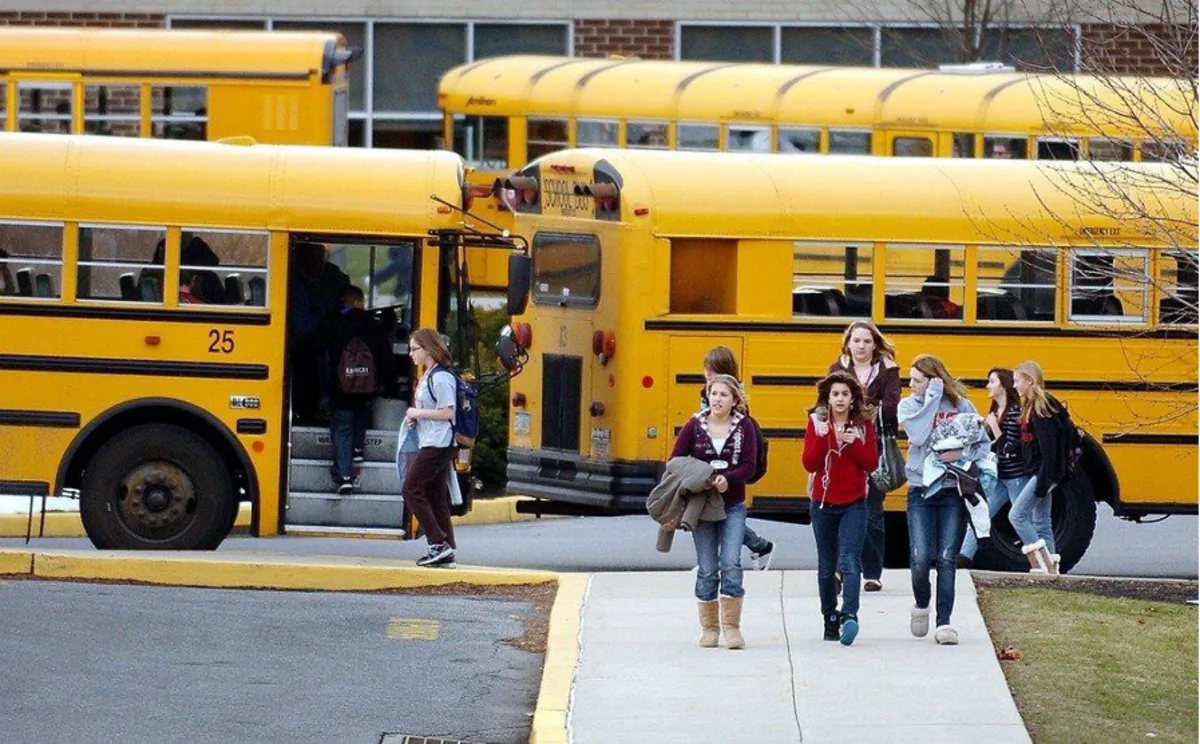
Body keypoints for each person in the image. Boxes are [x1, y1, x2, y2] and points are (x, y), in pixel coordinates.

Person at [670, 373, 758, 650]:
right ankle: (709, 628)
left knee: (731, 561)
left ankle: (732, 626)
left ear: (735, 400)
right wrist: (704, 476)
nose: (717, 399)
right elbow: (675, 461)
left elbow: (749, 465)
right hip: (702, 506)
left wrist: (728, 478)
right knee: (708, 567)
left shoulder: (745, 427)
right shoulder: (694, 426)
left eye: (723, 394)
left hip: (732, 504)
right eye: (714, 393)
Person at [898, 354, 981, 646]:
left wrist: (962, 455)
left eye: (916, 380)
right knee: (921, 557)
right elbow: (919, 437)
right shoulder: (908, 406)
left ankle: (944, 622)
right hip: (920, 490)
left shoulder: (961, 406)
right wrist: (931, 399)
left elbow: (980, 443)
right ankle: (922, 603)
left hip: (951, 489)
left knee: (946, 557)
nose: (910, 385)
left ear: (934, 379)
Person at [803, 371, 879, 646]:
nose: (840, 399)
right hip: (823, 503)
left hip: (854, 503)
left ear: (852, 398)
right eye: (835, 394)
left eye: (845, 394)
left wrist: (853, 443)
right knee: (826, 566)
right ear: (827, 396)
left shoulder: (863, 425)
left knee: (849, 561)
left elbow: (871, 462)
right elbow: (809, 464)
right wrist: (825, 439)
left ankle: (850, 615)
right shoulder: (817, 422)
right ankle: (829, 617)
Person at [827, 321, 901, 591]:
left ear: (875, 344)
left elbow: (892, 407)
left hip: (875, 444)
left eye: (866, 341)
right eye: (856, 341)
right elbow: (828, 400)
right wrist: (867, 407)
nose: (861, 346)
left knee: (871, 510)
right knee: (839, 506)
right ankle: (840, 570)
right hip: (841, 446)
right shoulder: (838, 369)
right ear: (847, 343)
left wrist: (855, 409)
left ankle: (871, 572)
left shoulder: (888, 371)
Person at [700, 346, 775, 570]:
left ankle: (754, 548)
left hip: (726, 463)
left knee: (720, 513)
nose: (705, 374)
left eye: (709, 369)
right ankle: (758, 547)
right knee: (718, 512)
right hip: (715, 460)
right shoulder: (711, 392)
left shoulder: (730, 396)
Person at [402, 328, 460, 568]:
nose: (411, 354)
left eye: (415, 349)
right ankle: (446, 549)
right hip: (431, 440)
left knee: (411, 489)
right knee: (435, 494)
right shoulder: (429, 375)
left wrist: (417, 412)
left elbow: (449, 412)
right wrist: (417, 418)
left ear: (428, 349)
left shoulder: (442, 377)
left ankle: (438, 543)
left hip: (439, 442)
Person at [325, 285, 390, 495]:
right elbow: (384, 356)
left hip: (341, 388)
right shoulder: (373, 325)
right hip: (366, 387)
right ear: (360, 302)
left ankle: (345, 477)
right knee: (362, 412)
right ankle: (358, 448)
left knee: (342, 428)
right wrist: (384, 383)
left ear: (347, 302)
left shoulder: (336, 324)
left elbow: (325, 356)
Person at [959, 368, 1025, 566]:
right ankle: (963, 557)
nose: (987, 386)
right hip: (1000, 475)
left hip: (1015, 476)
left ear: (1003, 386)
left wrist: (994, 426)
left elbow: (1009, 447)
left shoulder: (1014, 412)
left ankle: (1043, 556)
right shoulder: (995, 412)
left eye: (992, 382)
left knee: (1022, 518)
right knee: (981, 513)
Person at [1010, 361, 1063, 575]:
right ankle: (1053, 573)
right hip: (1042, 473)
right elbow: (1029, 442)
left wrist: (1044, 483)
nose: (1014, 386)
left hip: (1044, 474)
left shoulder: (1040, 409)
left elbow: (1049, 450)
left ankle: (1043, 564)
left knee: (1017, 516)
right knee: (1042, 522)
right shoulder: (1032, 406)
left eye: (1016, 381)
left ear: (1029, 381)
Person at [288, 242, 350, 423]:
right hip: (304, 343)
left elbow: (347, 300)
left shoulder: (333, 275)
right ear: (301, 260)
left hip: (330, 336)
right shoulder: (295, 280)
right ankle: (317, 406)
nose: (318, 264)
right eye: (312, 259)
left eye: (321, 259)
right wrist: (325, 313)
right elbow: (301, 326)